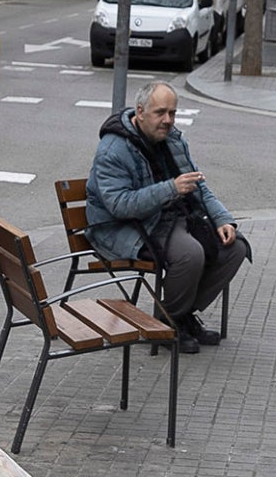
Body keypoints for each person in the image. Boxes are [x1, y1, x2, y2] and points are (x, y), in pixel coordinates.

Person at [87, 81, 252, 355]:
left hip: (170, 217)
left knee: (235, 247)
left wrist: (224, 220)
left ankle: (177, 316)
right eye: (160, 113)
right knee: (190, 254)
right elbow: (118, 205)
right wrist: (170, 189)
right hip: (126, 227)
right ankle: (169, 322)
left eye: (172, 113)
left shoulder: (173, 139)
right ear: (140, 112)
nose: (167, 121)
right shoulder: (113, 149)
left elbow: (198, 186)